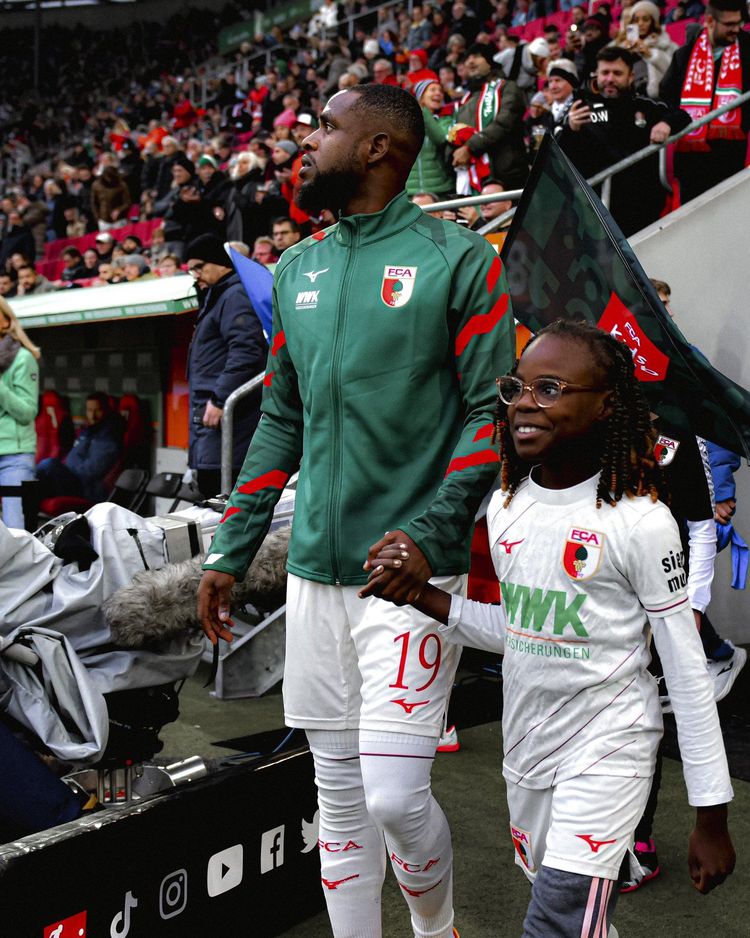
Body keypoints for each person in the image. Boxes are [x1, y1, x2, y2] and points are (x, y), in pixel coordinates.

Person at [198, 84, 514, 938]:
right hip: (314, 578)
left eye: (328, 127)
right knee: (335, 793)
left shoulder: (461, 261)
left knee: (394, 795)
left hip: (410, 576)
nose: (310, 138)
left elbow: (493, 413)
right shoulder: (299, 266)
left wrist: (431, 530)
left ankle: (436, 925)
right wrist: (229, 553)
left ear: (380, 148)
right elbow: (283, 423)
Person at [366, 319, 736, 937]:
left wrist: (712, 814)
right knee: (578, 919)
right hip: (528, 748)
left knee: (559, 922)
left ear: (607, 405)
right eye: (517, 388)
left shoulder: (642, 521)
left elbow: (687, 673)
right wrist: (428, 600)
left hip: (610, 747)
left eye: (551, 389)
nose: (523, 406)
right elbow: (523, 632)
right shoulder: (510, 504)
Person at [560, 47, 690, 236]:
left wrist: (666, 123)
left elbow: (682, 115)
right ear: (596, 74)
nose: (610, 79)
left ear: (631, 76)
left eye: (617, 73)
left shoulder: (644, 106)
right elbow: (557, 154)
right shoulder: (579, 110)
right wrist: (570, 129)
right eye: (605, 73)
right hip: (593, 215)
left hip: (642, 209)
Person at [185, 233, 267, 498]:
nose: (195, 274)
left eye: (199, 267)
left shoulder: (234, 295)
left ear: (220, 263)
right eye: (191, 269)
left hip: (227, 418)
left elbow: (246, 352)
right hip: (211, 419)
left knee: (220, 495)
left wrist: (220, 399)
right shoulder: (219, 295)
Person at [659, 0, 750, 204]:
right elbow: (667, 96)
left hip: (732, 158)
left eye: (739, 23)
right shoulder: (684, 55)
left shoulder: (747, 49)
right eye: (729, 24)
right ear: (710, 21)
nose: (736, 29)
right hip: (691, 163)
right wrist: (668, 122)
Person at [451, 43, 528, 192]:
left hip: (507, 174)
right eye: (468, 58)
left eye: (477, 56)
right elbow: (455, 132)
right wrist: (454, 154)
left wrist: (470, 147)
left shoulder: (508, 87)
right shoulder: (465, 100)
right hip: (474, 178)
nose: (471, 61)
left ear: (490, 61)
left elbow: (504, 123)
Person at [36, 392, 124, 502]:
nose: (93, 416)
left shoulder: (109, 439)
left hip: (86, 490)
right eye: (90, 410)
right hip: (72, 481)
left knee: (49, 464)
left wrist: (63, 470)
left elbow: (90, 472)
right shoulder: (86, 432)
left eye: (98, 410)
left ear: (106, 411)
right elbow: (72, 459)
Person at [0, 299, 40, 530]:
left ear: (6, 320)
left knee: (16, 530)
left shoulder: (23, 358)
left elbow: (27, 412)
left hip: (13, 457)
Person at [610, 1, 677, 99]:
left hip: (658, 99)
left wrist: (650, 54)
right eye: (636, 20)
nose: (640, 23)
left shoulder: (665, 44)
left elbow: (674, 72)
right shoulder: (622, 46)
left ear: (653, 22)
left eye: (645, 20)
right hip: (627, 99)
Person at [406, 79, 456, 199]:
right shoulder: (405, 121)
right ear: (420, 97)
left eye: (440, 91)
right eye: (432, 90)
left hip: (440, 189)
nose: (438, 93)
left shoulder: (446, 119)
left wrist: (422, 111)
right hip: (410, 191)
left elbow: (440, 139)